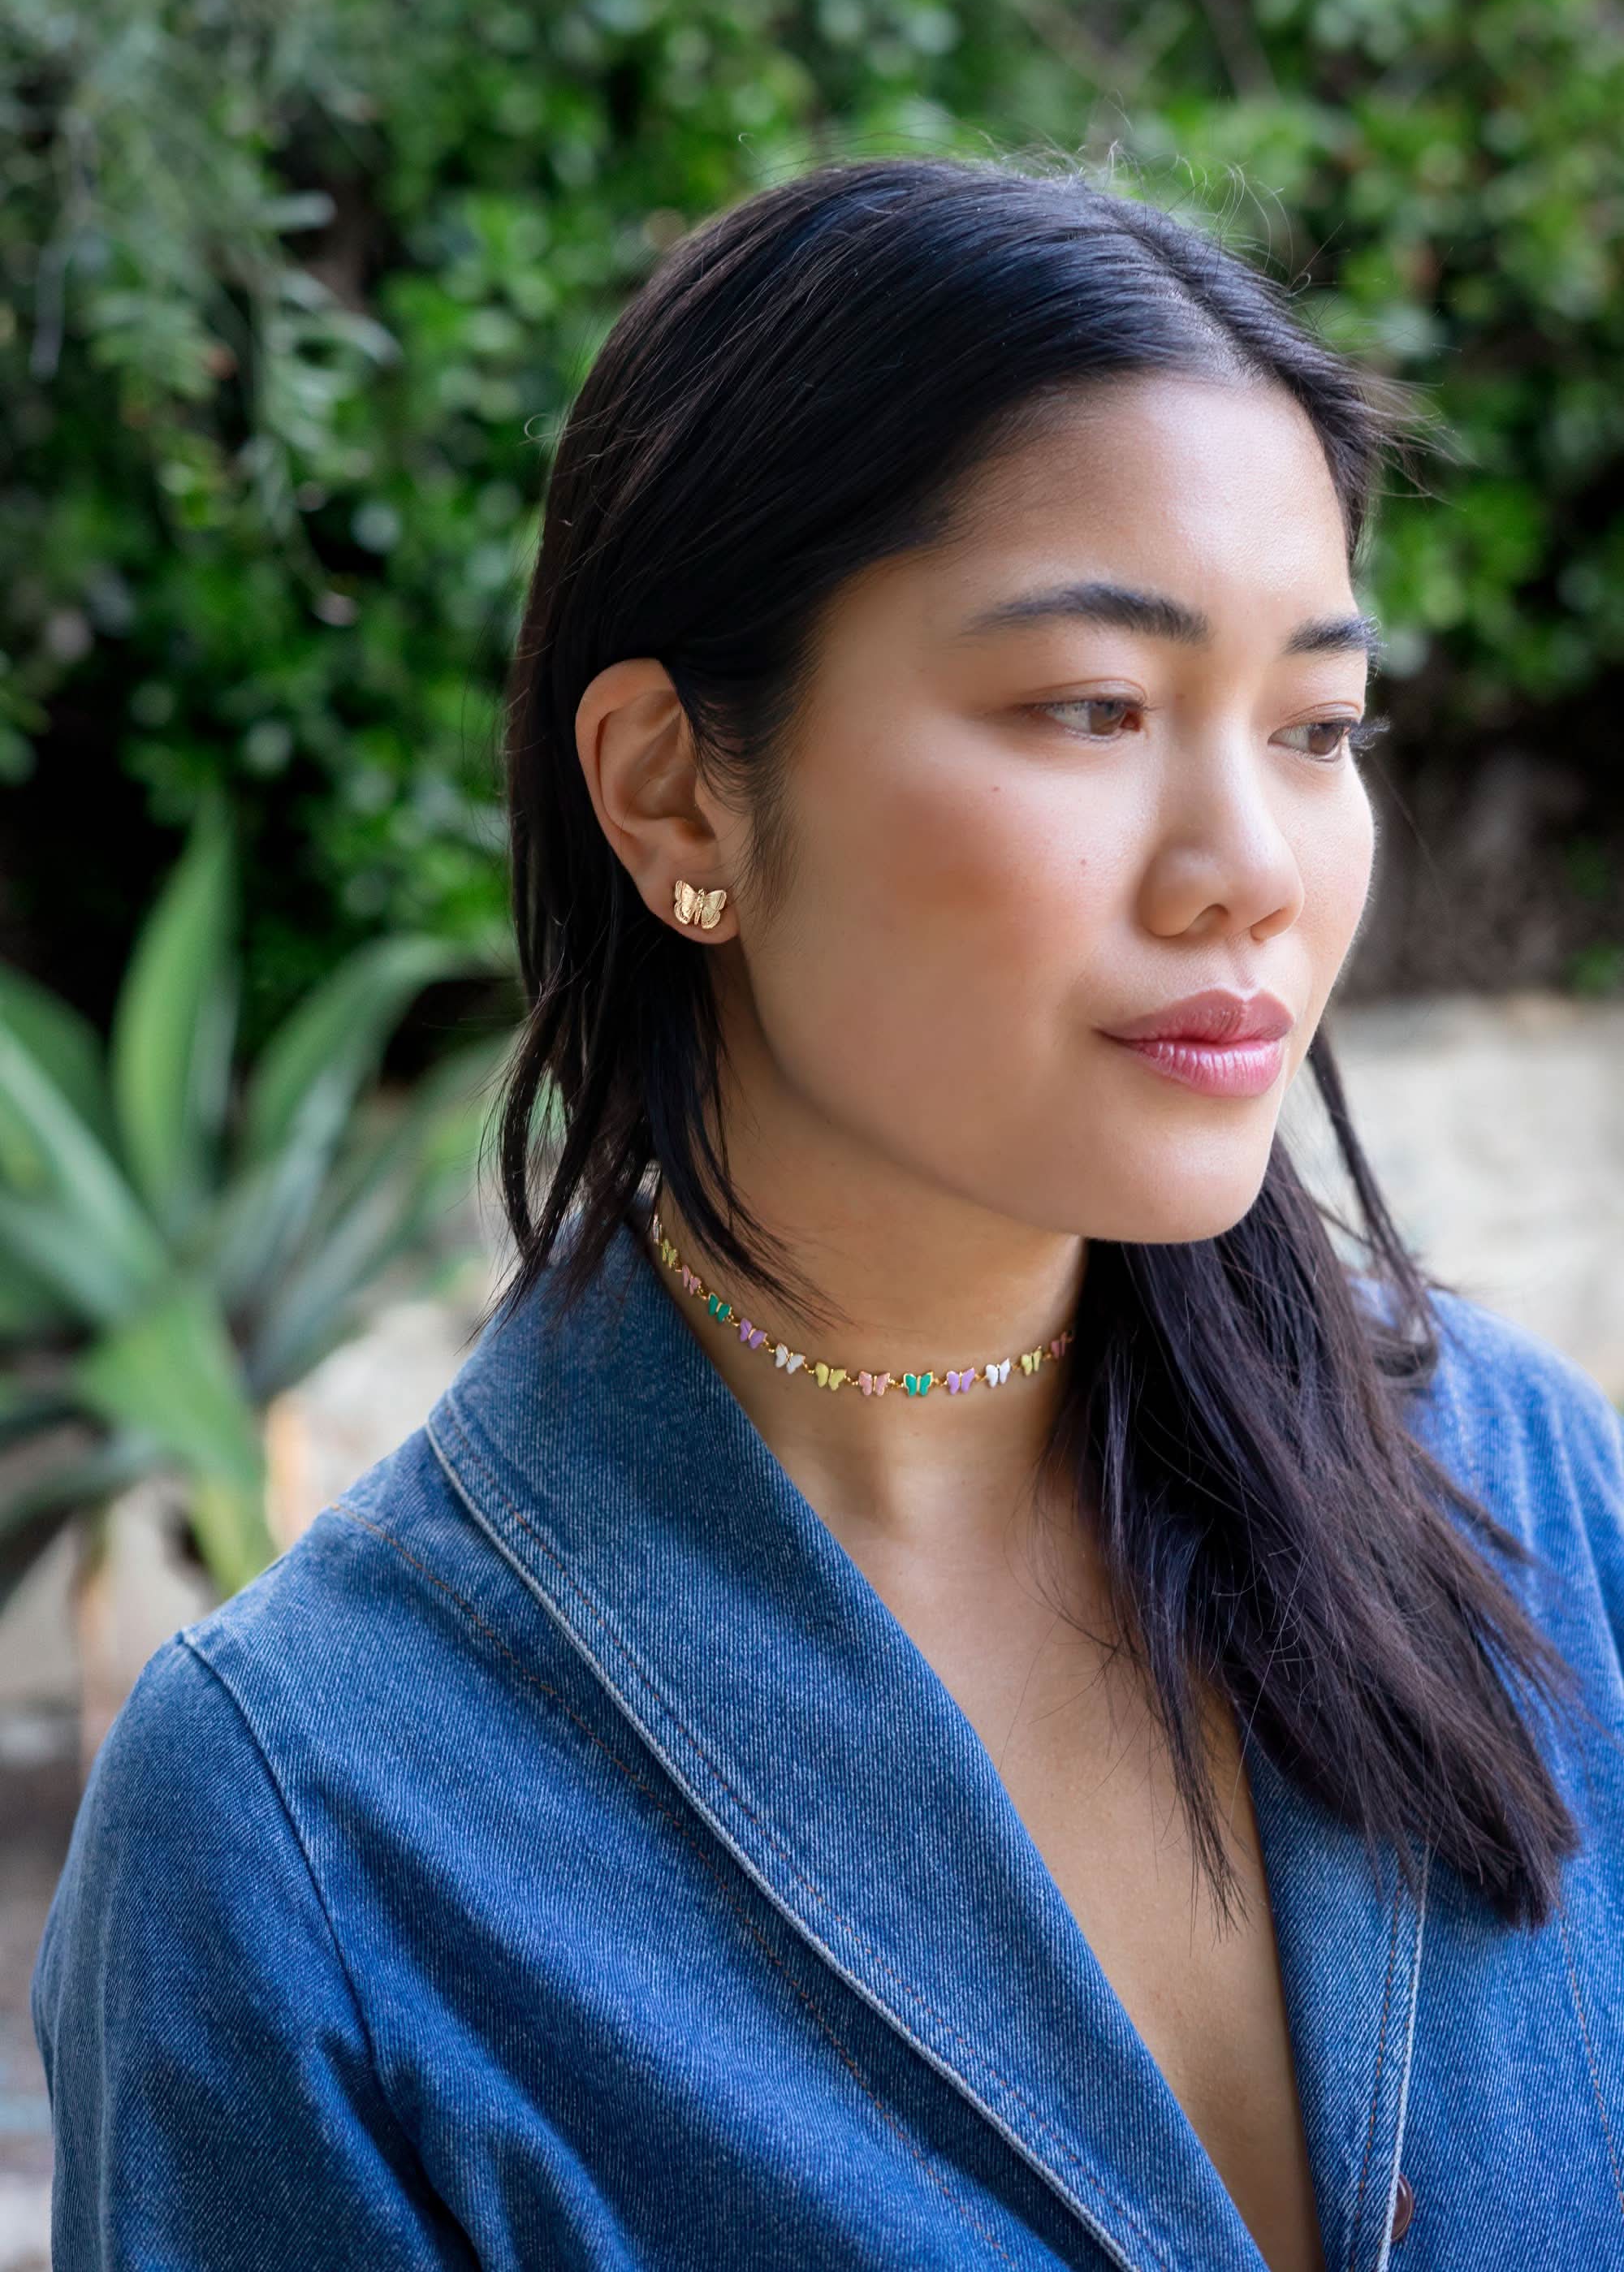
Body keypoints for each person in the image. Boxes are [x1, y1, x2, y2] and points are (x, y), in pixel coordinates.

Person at [32, 155, 1624, 2272]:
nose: (1250, 861)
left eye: (1320, 724)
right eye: (1092, 707)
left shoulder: (1517, 1495)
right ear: (677, 789)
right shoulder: (314, 1832)